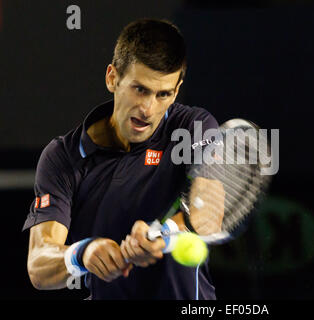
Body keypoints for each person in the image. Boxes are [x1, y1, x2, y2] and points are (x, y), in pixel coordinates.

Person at [23, 18, 218, 300]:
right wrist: (82, 253)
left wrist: (162, 235)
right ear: (112, 78)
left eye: (163, 94)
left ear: (176, 92)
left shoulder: (193, 127)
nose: (148, 109)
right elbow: (38, 266)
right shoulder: (62, 158)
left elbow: (208, 210)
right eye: (140, 89)